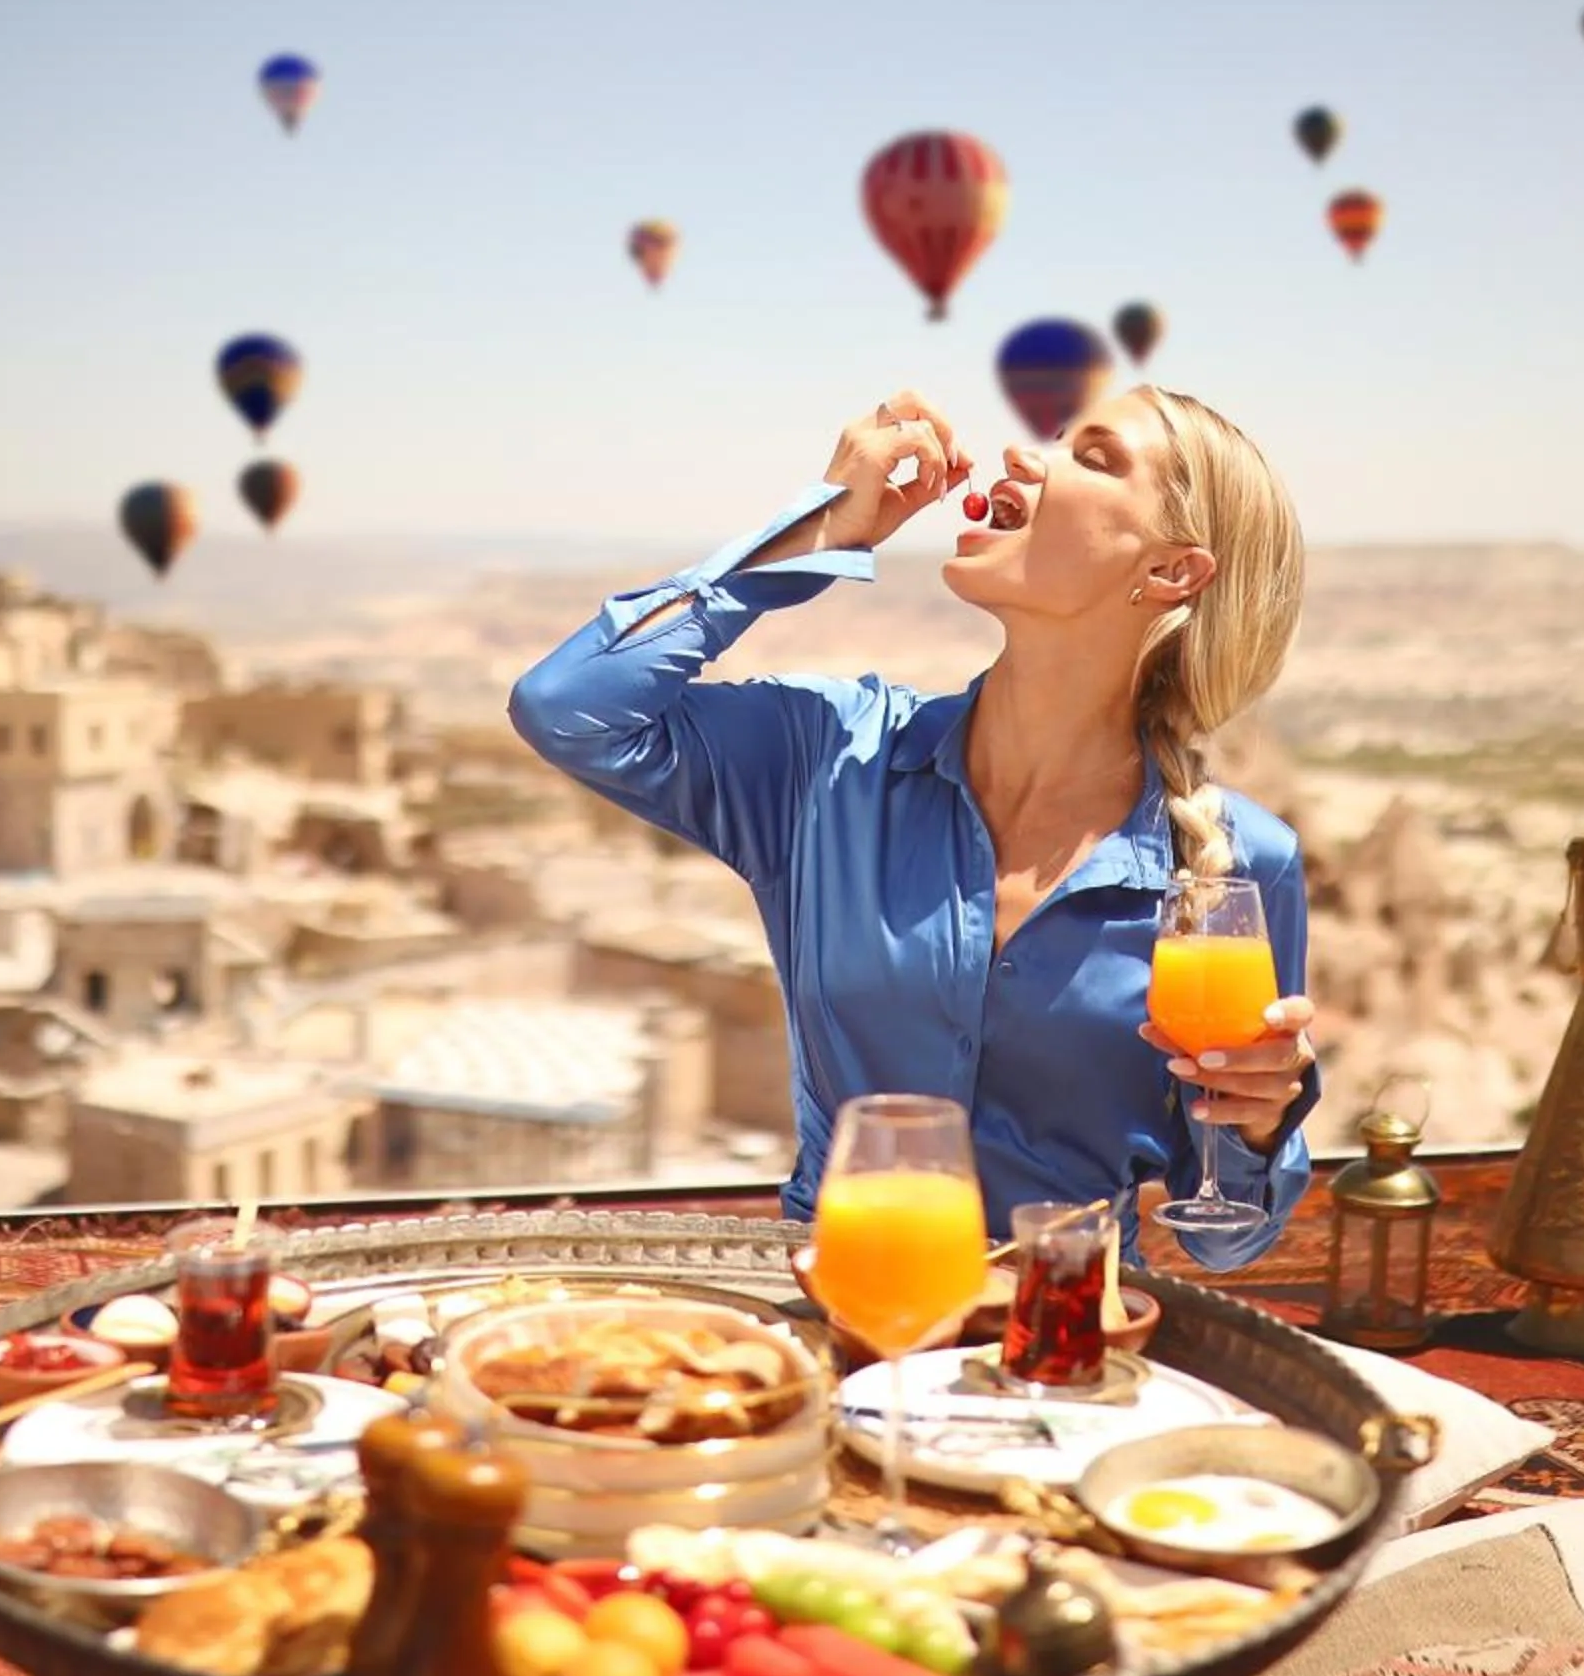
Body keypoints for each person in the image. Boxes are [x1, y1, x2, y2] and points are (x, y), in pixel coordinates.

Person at [509, 387, 1318, 1269]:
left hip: (1065, 1347)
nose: (1022, 456)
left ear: (1170, 573)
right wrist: (816, 537)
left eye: (1093, 456)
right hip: (838, 1317)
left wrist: (1264, 1119)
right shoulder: (827, 758)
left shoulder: (1240, 860)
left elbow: (1232, 1241)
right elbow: (569, 709)